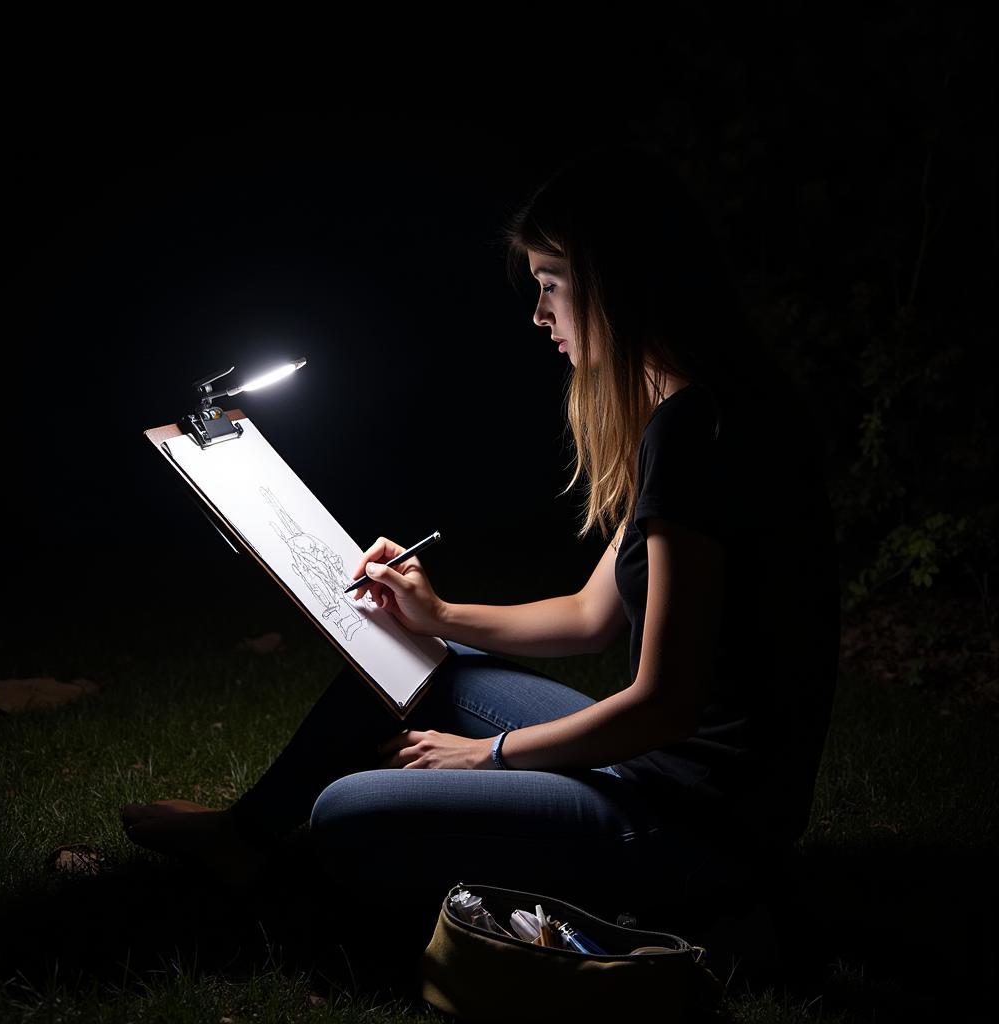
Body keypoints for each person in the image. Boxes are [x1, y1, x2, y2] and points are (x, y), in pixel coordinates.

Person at [120, 143, 840, 933]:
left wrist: (484, 757)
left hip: (696, 825)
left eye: (551, 285)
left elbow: (663, 707)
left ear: (618, 278)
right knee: (435, 667)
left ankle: (299, 880)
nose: (538, 314)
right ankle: (241, 837)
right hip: (665, 777)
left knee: (347, 811)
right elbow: (590, 616)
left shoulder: (699, 430)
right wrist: (441, 616)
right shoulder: (688, 409)